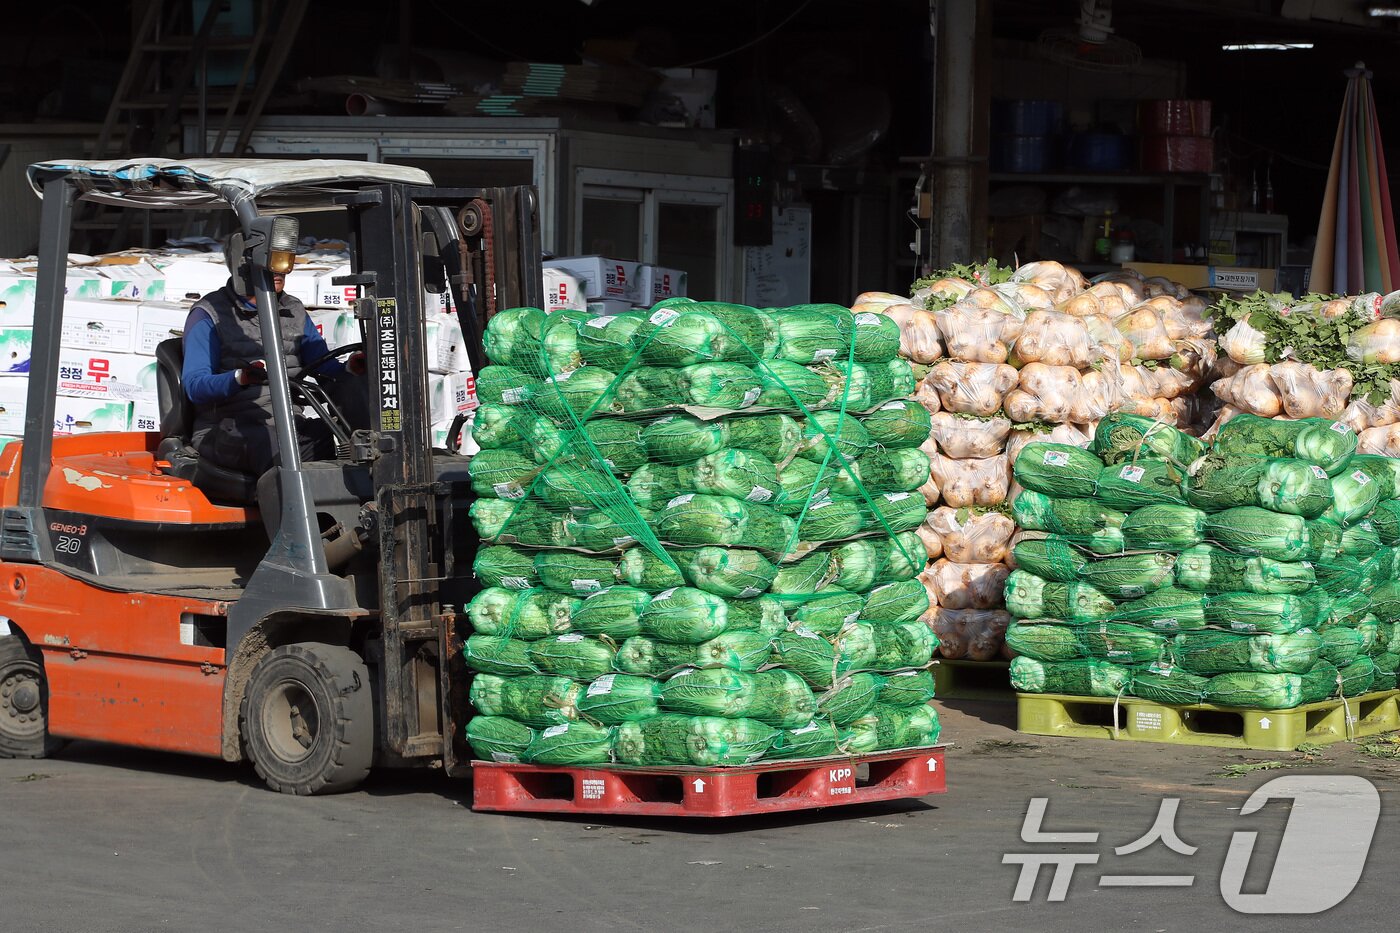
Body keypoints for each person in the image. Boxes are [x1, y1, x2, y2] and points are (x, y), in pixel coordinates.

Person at [182, 238, 366, 478]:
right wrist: (240, 378)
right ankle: (287, 513)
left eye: (283, 262)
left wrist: (351, 369)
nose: (280, 270)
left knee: (330, 432)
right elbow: (195, 386)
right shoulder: (209, 314)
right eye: (271, 262)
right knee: (274, 442)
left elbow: (323, 366)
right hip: (226, 428)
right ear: (243, 265)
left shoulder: (293, 310)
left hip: (286, 424)